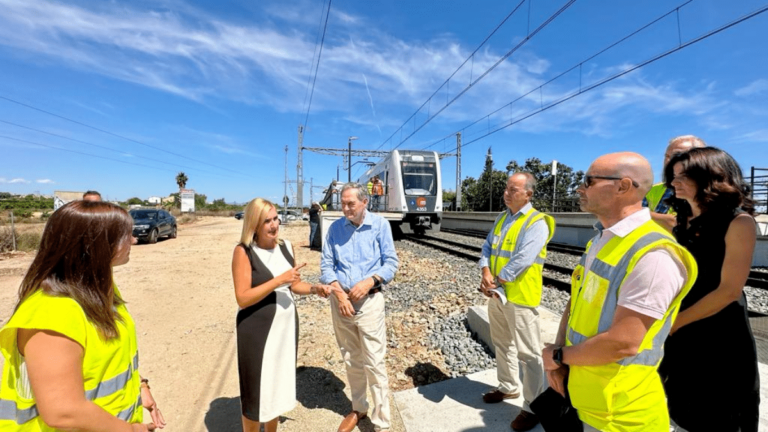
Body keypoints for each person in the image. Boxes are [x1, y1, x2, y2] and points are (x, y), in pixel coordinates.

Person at [542, 152, 697, 432]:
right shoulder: (602, 240)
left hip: (622, 415)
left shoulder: (654, 256)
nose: (580, 188)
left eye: (588, 181)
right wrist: (559, 356)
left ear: (623, 187)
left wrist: (557, 356)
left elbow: (622, 344)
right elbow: (575, 303)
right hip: (588, 400)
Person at [0, 200, 165, 431]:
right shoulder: (52, 312)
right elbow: (64, 412)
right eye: (124, 235)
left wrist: (141, 386)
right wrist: (130, 429)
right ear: (95, 245)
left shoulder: (96, 291)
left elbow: (111, 359)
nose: (133, 240)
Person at [659, 147, 760, 432]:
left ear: (710, 178)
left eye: (682, 176)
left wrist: (675, 323)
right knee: (682, 408)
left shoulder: (738, 222)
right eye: (673, 176)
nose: (673, 183)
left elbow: (728, 291)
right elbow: (656, 220)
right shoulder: (682, 220)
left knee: (720, 413)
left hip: (719, 333)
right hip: (682, 329)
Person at [231, 198, 329, 432]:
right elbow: (242, 297)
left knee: (276, 386)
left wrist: (315, 289)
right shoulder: (243, 251)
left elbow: (294, 285)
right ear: (254, 224)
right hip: (257, 331)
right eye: (267, 221)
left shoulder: (286, 246)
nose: (274, 225)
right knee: (256, 392)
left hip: (284, 329)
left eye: (276, 219)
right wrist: (278, 281)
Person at [478, 172, 555, 432]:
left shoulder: (538, 222)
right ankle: (508, 387)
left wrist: (496, 281)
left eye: (513, 189)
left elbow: (523, 259)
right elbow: (487, 247)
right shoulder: (503, 218)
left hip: (520, 298)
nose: (506, 193)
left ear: (528, 194)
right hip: (497, 294)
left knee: (529, 354)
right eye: (506, 189)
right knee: (502, 343)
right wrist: (485, 273)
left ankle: (533, 407)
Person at [320, 182, 399, 432]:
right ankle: (359, 408)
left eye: (350, 204)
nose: (345, 208)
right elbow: (326, 266)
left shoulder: (380, 226)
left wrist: (370, 281)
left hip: (370, 302)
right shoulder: (334, 229)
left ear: (365, 202)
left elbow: (391, 263)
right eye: (342, 204)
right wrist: (339, 294)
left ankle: (382, 421)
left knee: (374, 362)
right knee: (351, 358)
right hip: (340, 303)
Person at [644, 135, 706, 231]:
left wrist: (639, 214)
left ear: (699, 157)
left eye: (676, 155)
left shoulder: (712, 189)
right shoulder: (652, 190)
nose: (668, 161)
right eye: (667, 156)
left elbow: (684, 225)